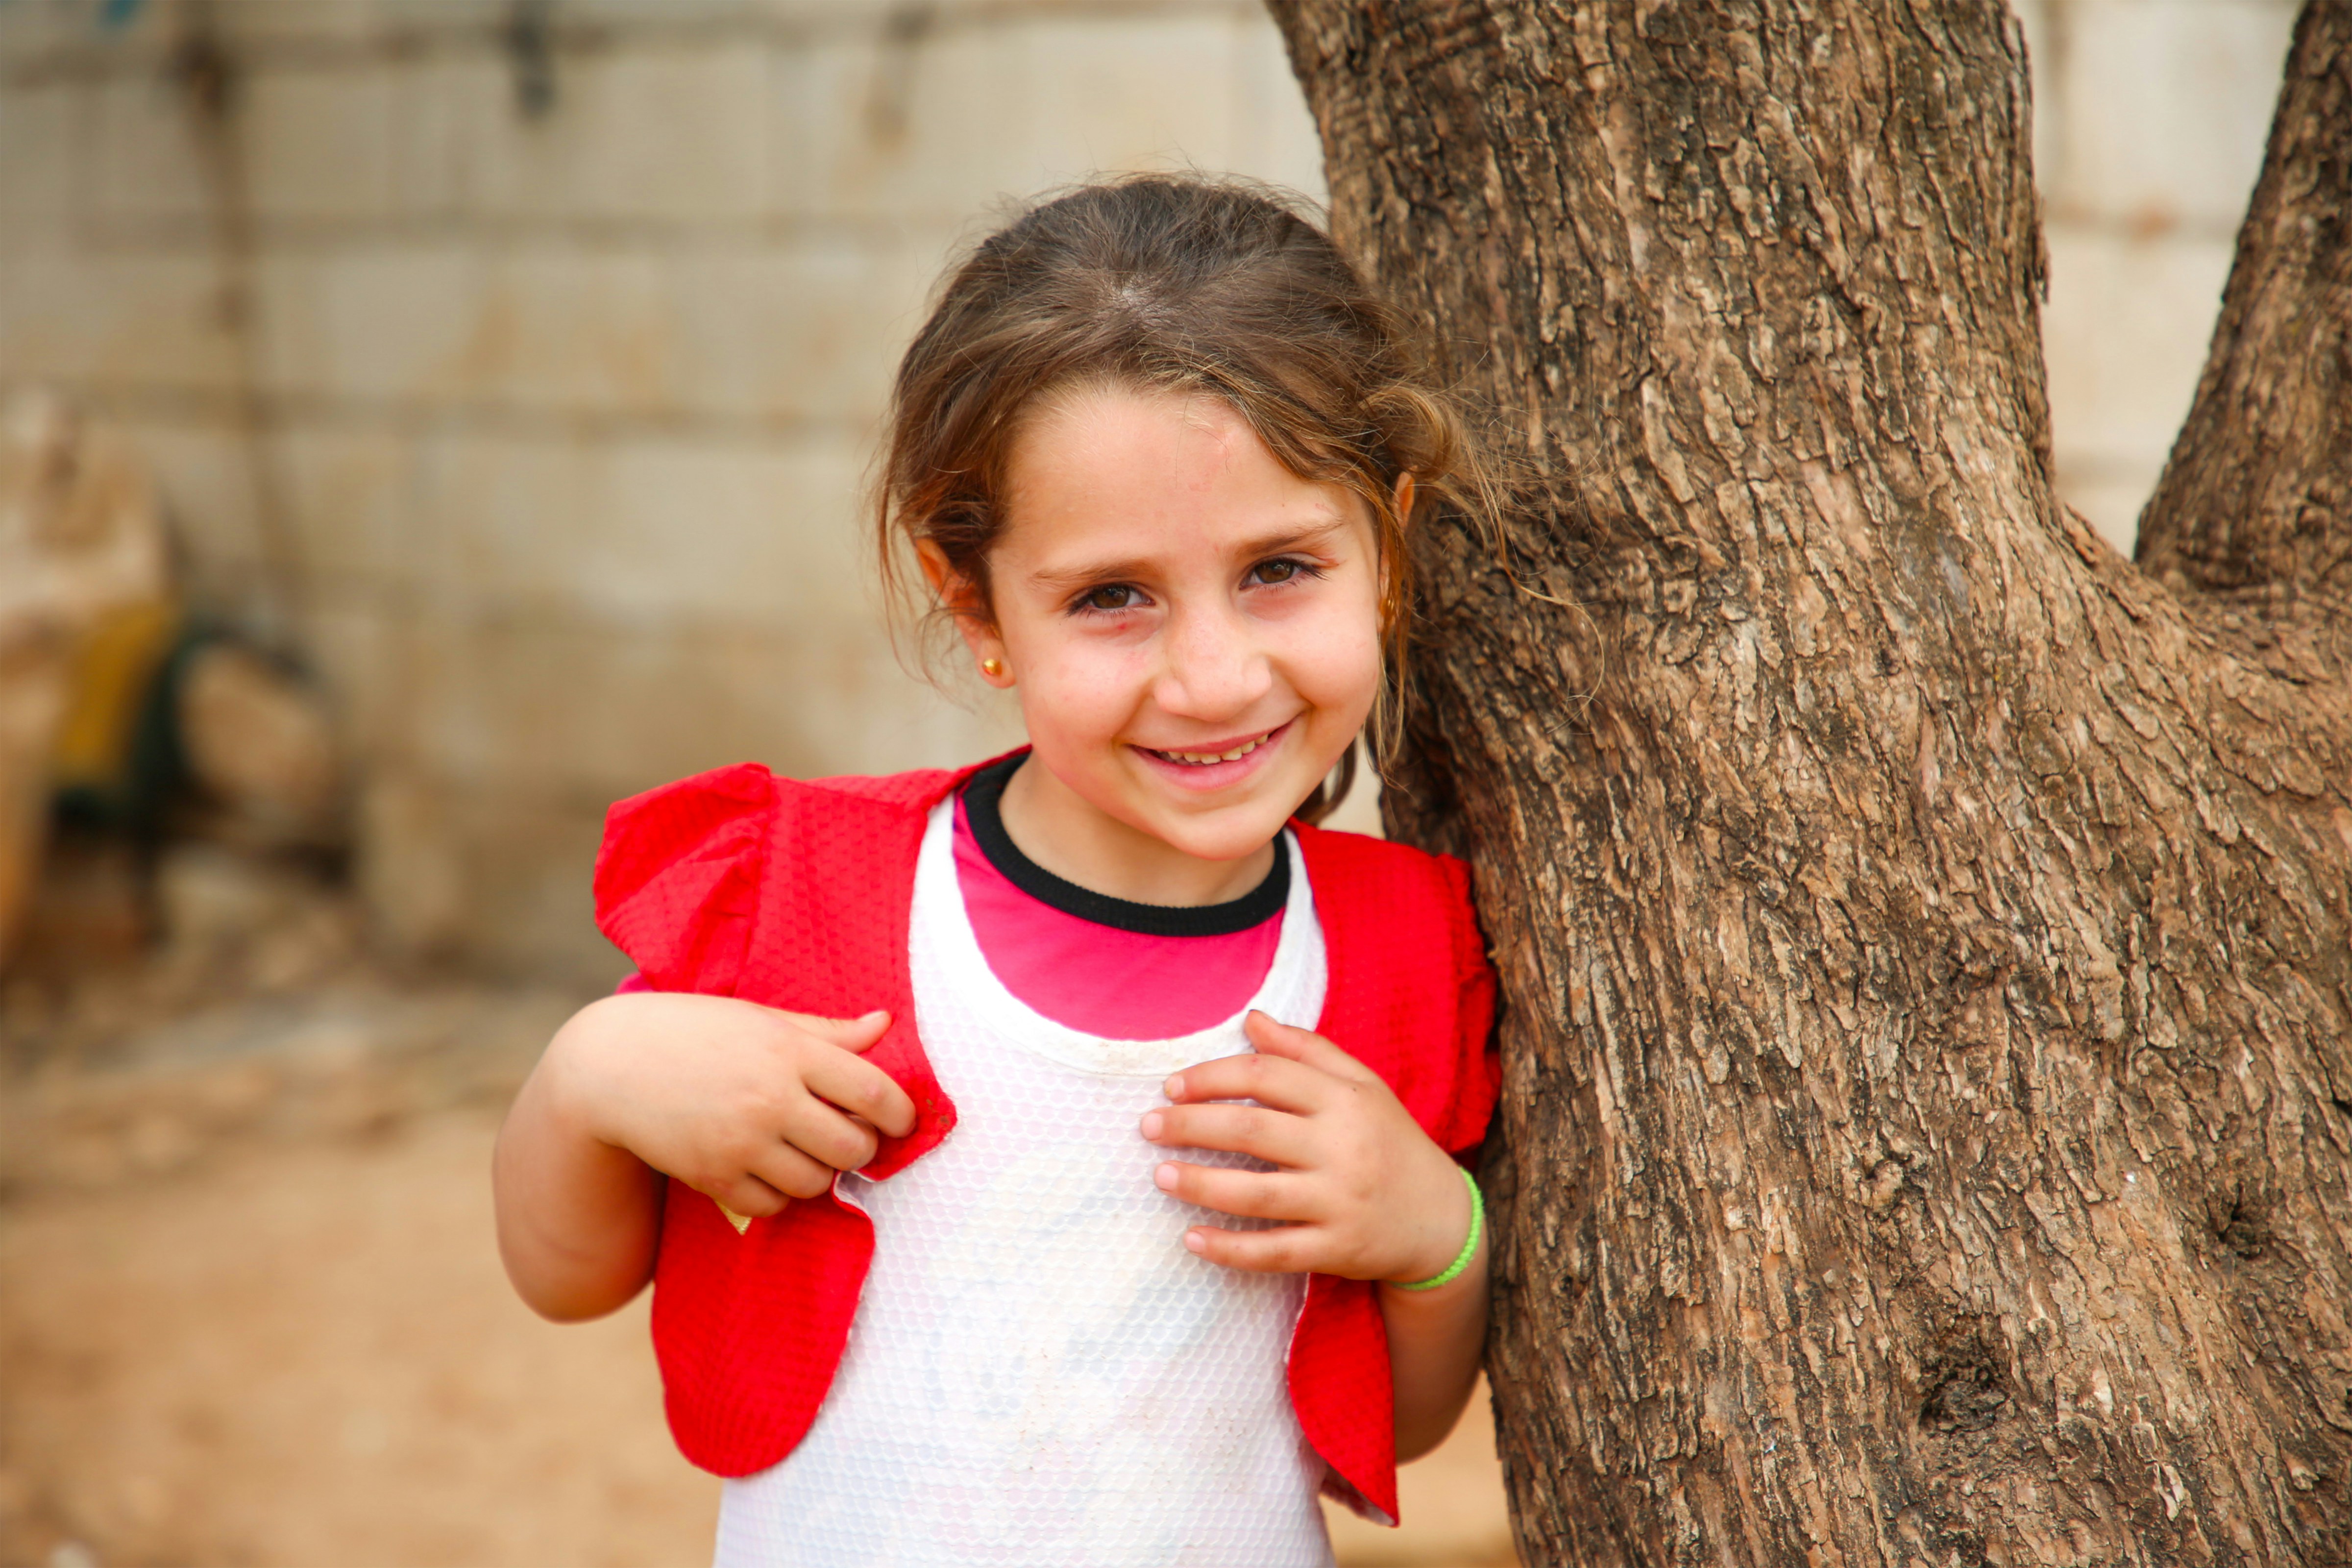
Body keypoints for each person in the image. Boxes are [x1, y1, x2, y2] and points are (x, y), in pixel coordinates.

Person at [492, 174, 1502, 1568]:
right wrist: (591, 1077)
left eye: (1280, 567)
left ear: (1385, 548)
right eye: (1111, 597)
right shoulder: (805, 893)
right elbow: (564, 1278)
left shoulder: (1399, 955)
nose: (1213, 677)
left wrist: (1435, 1234)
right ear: (975, 603)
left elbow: (1408, 1425)